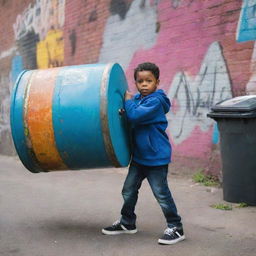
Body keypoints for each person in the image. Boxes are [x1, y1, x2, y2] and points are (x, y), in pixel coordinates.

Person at [102, 62, 185, 245]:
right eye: (140, 81)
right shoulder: (139, 99)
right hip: (140, 157)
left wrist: (128, 103)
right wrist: (125, 109)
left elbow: (135, 116)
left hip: (156, 158)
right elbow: (129, 116)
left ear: (157, 82)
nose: (144, 84)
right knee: (129, 190)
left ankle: (176, 227)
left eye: (149, 81)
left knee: (161, 194)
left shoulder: (155, 101)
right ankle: (127, 222)